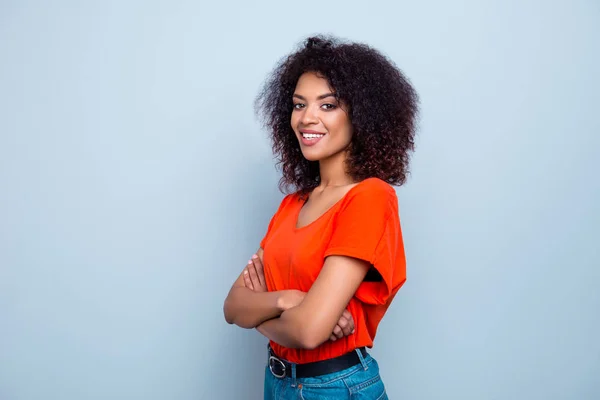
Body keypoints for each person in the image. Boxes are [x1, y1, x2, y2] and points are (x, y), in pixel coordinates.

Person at [223, 35, 418, 399]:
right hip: (277, 382)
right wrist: (288, 302)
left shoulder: (370, 198)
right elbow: (232, 306)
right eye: (299, 105)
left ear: (362, 115)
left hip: (335, 387)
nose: (307, 118)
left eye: (327, 105)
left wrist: (262, 312)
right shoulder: (293, 205)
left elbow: (309, 331)